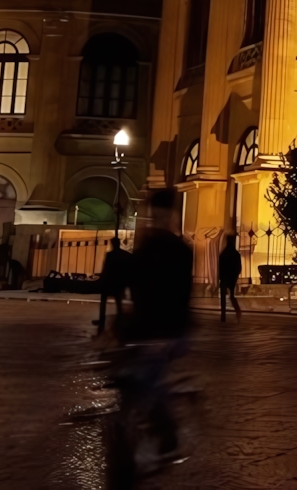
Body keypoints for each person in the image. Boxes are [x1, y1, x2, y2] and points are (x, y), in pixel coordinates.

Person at [116, 188, 194, 473]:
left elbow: (180, 295)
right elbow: (136, 289)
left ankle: (168, 436)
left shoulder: (179, 251)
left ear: (171, 216)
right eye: (156, 214)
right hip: (144, 328)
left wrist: (167, 335)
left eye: (162, 215)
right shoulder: (148, 247)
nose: (159, 219)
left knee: (149, 381)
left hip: (169, 330)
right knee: (131, 381)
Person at [97, 236, 132, 335]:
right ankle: (119, 318)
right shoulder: (125, 255)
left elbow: (106, 268)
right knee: (118, 301)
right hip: (118, 282)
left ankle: (102, 318)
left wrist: (102, 278)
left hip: (110, 281)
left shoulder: (110, 255)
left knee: (104, 300)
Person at [217, 235, 243, 322]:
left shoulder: (223, 254)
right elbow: (239, 267)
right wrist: (235, 276)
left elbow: (219, 267)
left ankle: (223, 316)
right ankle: (238, 312)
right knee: (231, 296)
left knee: (223, 298)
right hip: (231, 278)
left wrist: (220, 277)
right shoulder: (236, 254)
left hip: (224, 278)